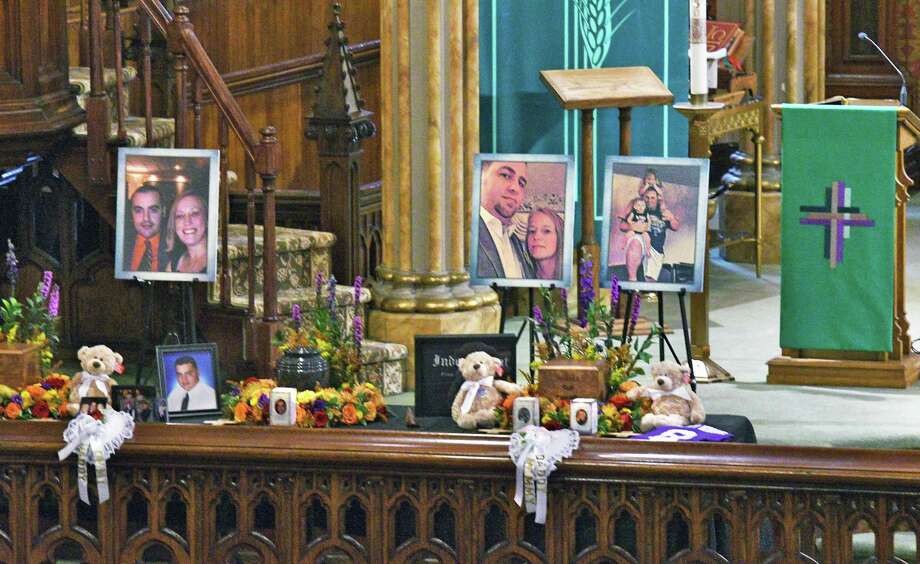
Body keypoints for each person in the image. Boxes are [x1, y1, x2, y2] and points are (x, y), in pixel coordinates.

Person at [477, 161, 534, 278]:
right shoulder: (464, 232)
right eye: (505, 175)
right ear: (481, 176)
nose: (515, 188)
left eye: (521, 183)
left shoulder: (515, 240)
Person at [124, 183, 168, 272]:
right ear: (131, 213)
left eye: (153, 210)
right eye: (138, 211)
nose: (146, 218)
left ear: (163, 211)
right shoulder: (121, 244)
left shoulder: (175, 249)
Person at [641, 182, 680, 282]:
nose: (649, 200)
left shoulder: (663, 212)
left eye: (652, 198)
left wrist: (671, 218)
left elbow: (676, 227)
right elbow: (624, 226)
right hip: (643, 249)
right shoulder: (639, 210)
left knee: (650, 280)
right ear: (643, 198)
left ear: (657, 199)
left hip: (657, 252)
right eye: (647, 197)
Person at [165, 190, 209, 274]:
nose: (187, 221)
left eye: (194, 213)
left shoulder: (217, 262)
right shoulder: (172, 265)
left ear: (206, 218)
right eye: (180, 216)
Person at [619, 197, 653, 281]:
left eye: (643, 205)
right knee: (629, 235)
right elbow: (627, 222)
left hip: (643, 232)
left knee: (647, 238)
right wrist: (632, 224)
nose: (641, 207)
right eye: (639, 205)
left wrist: (647, 225)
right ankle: (623, 245)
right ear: (635, 207)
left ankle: (648, 251)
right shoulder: (633, 213)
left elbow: (649, 221)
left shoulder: (646, 214)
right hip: (635, 232)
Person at [526, 207, 564, 280]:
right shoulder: (522, 275)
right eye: (532, 231)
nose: (536, 237)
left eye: (546, 231)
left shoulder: (572, 277)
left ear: (560, 236)